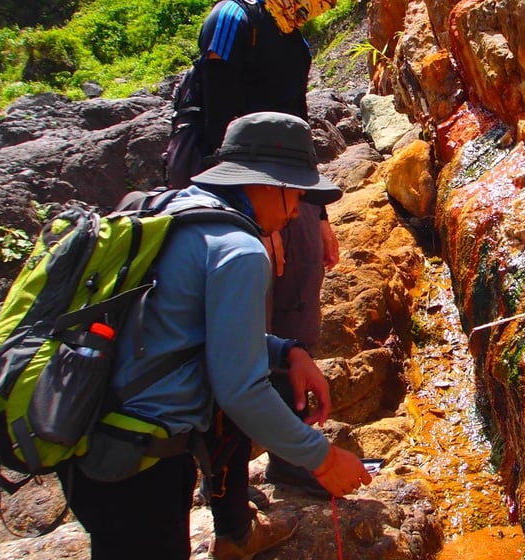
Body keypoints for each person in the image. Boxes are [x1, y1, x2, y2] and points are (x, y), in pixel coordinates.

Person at [59, 112, 371, 560]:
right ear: (268, 184)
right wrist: (321, 459)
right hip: (142, 462)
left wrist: (289, 350)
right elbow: (241, 389)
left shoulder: (166, 209)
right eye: (297, 193)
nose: (295, 209)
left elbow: (187, 329)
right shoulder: (240, 250)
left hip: (87, 432)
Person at [191, 0, 342, 507]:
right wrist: (255, 222)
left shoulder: (296, 39)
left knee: (298, 308)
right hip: (230, 192)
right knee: (240, 331)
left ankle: (292, 457)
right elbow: (217, 124)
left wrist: (315, 213)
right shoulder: (234, 19)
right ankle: (227, 491)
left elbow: (296, 130)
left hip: (280, 192)